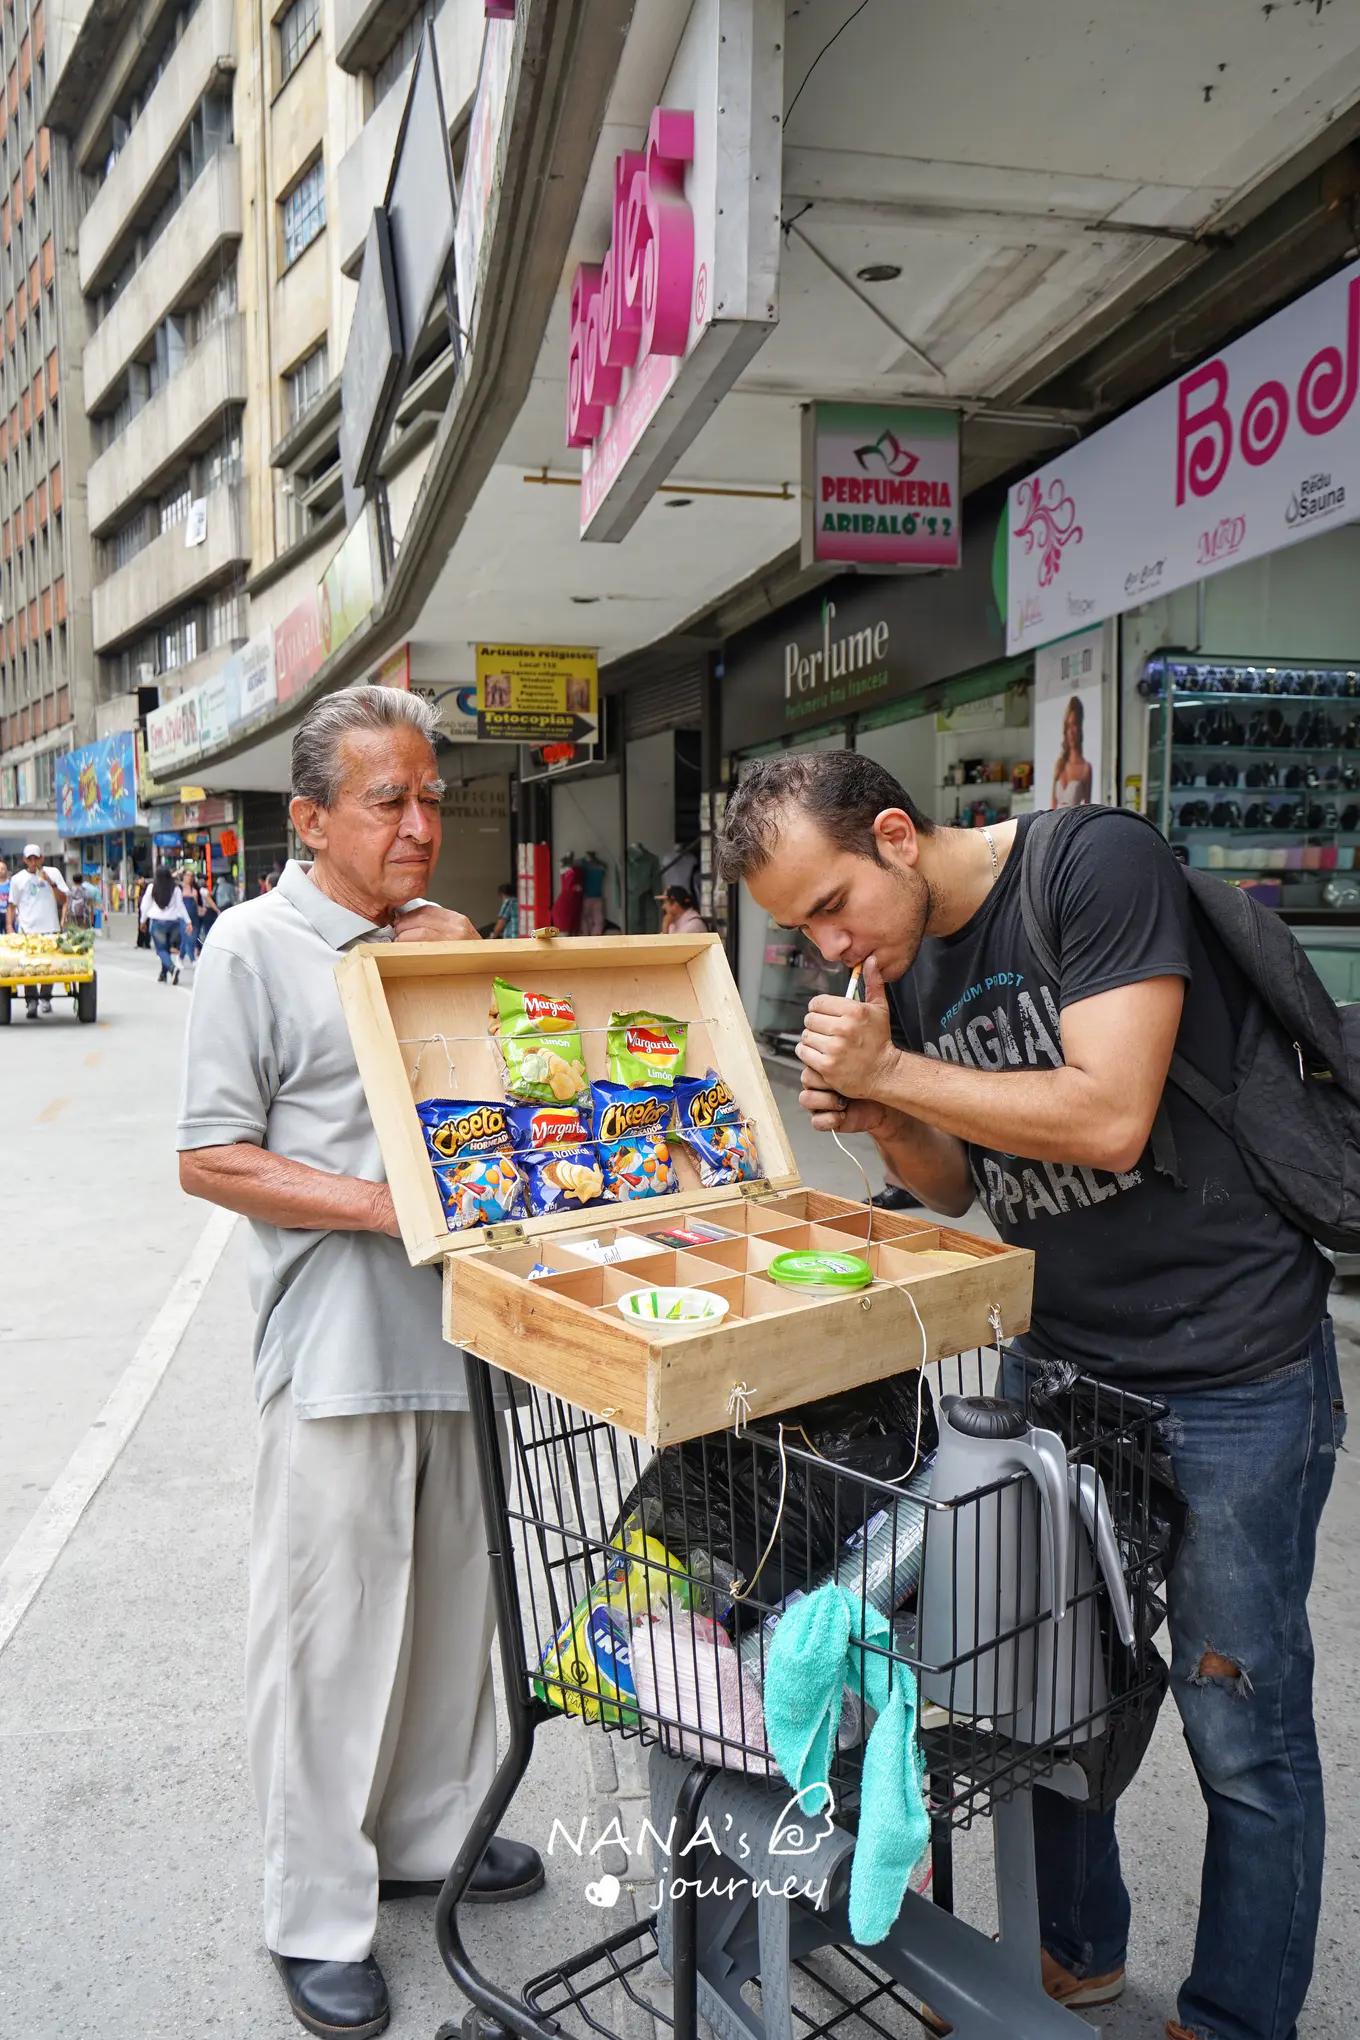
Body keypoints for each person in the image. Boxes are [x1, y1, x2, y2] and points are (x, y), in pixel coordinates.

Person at [716, 752, 1344, 2040]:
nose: (827, 942)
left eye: (835, 902)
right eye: (801, 930)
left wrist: (891, 1074)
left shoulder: (1092, 865)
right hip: (1058, 1364)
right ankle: (1071, 1955)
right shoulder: (896, 967)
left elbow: (1109, 1114)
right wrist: (879, 1113)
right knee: (1044, 1680)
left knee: (1240, 1718)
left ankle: (1237, 2018)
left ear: (897, 835)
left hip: (1232, 1367)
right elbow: (954, 1184)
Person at [177, 687, 543, 2040]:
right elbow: (210, 1153)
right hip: (333, 1347)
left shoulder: (433, 937)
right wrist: (389, 1206)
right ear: (313, 815)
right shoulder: (251, 948)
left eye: (432, 797)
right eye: (387, 800)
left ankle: (426, 1835)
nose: (418, 823)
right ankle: (315, 1911)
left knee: (455, 1618)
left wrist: (467, 962)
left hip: (457, 1338)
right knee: (329, 1644)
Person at [7, 844, 67, 1016]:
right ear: (25, 860)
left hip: (50, 928)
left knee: (49, 966)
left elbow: (63, 900)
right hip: (28, 930)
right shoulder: (18, 879)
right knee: (28, 968)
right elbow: (12, 905)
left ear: (42, 858)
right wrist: (10, 926)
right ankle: (31, 1000)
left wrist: (50, 882)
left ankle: (45, 997)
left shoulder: (53, 872)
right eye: (29, 858)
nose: (33, 862)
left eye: (36, 858)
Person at [140, 864, 192, 984]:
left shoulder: (152, 888)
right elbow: (181, 906)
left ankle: (172, 969)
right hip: (174, 923)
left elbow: (145, 906)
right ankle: (163, 974)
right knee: (166, 949)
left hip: (158, 923)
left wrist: (143, 921)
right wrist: (188, 921)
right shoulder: (176, 889)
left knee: (161, 950)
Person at [1051, 694, 1094, 808]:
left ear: (1080, 727)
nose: (1071, 731)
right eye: (1068, 725)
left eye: (1074, 724)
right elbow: (1052, 806)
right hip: (1055, 824)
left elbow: (1087, 808)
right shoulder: (1060, 764)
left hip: (1073, 824)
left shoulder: (1086, 768)